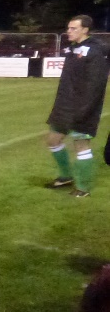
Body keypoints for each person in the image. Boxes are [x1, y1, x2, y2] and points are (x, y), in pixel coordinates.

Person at [47, 15, 108, 197]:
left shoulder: (95, 51)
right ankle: (66, 176)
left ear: (85, 30)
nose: (69, 31)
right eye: (68, 28)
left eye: (73, 28)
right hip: (65, 105)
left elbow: (96, 85)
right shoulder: (73, 49)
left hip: (83, 107)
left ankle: (83, 188)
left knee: (81, 145)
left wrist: (84, 110)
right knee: (53, 140)